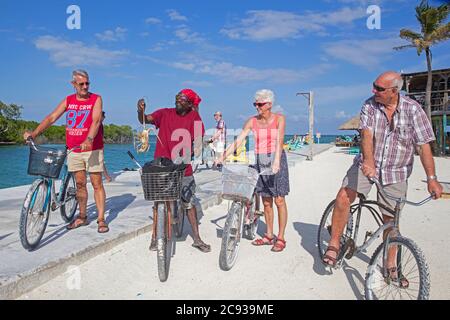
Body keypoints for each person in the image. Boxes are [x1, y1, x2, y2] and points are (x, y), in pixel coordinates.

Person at [323, 71, 443, 283]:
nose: (373, 91)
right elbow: (366, 135)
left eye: (379, 88)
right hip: (367, 164)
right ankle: (334, 242)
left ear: (394, 91)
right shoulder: (369, 106)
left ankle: (390, 266)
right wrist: (368, 162)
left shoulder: (414, 110)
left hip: (396, 171)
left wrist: (432, 178)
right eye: (374, 86)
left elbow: (424, 146)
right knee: (343, 197)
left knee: (391, 222)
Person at [23, 69, 109, 233]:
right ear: (73, 84)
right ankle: (82, 217)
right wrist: (34, 133)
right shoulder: (69, 100)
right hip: (74, 150)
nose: (85, 87)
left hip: (92, 149)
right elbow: (52, 117)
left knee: (97, 184)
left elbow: (96, 121)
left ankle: (101, 219)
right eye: (81, 84)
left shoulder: (96, 99)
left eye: (87, 83)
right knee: (80, 184)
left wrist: (89, 139)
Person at [137, 88, 211, 253]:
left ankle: (197, 238)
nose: (178, 101)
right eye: (177, 99)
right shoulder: (164, 113)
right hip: (161, 165)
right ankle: (155, 237)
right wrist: (140, 110)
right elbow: (145, 119)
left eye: (182, 100)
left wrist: (194, 152)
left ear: (190, 104)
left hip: (183, 165)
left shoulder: (194, 117)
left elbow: (199, 140)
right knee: (158, 203)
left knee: (189, 202)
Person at [216, 89, 289, 252]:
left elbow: (280, 141)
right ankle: (269, 235)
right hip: (259, 159)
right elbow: (238, 141)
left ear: (269, 104)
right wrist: (222, 156)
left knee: (279, 200)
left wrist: (276, 161)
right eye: (255, 103)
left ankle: (281, 236)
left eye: (260, 104)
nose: (257, 106)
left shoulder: (279, 119)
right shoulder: (252, 121)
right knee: (266, 201)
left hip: (276, 158)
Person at [100, 111, 112, 183]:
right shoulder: (97, 123)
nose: (104, 118)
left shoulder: (100, 124)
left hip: (100, 145)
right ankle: (107, 177)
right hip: (97, 146)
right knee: (101, 161)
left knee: (101, 161)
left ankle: (106, 176)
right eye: (103, 116)